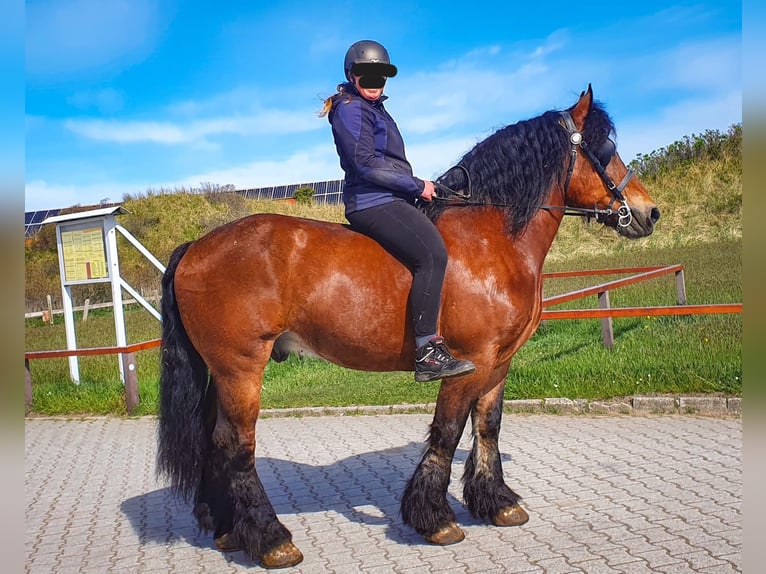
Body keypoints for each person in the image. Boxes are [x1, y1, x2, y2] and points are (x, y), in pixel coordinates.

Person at [320, 39, 475, 383]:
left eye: (381, 75)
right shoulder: (350, 108)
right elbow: (364, 163)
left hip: (391, 196)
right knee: (433, 253)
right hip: (373, 201)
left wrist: (418, 188)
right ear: (352, 74)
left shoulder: (373, 108)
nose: (375, 81)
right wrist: (416, 185)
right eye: (367, 74)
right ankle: (427, 350)